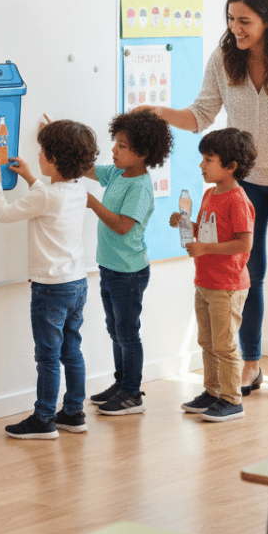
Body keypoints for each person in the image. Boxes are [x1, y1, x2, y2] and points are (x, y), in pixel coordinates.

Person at [139, 0, 268, 400]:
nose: (236, 29)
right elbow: (200, 115)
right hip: (244, 184)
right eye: (230, 19)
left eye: (245, 21)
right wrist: (157, 112)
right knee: (247, 273)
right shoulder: (225, 58)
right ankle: (250, 364)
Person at [0, 119, 98, 439]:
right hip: (77, 283)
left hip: (50, 288)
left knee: (47, 356)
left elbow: (5, 213)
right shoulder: (77, 189)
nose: (39, 155)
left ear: (55, 159)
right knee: (71, 350)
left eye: (42, 152)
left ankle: (44, 418)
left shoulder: (48, 196)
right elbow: (49, 200)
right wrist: (31, 177)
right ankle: (73, 412)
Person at [87, 109, 173, 415]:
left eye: (121, 146)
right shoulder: (118, 173)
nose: (114, 150)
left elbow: (123, 225)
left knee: (126, 332)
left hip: (129, 273)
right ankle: (122, 383)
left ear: (142, 153)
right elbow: (90, 170)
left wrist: (93, 203)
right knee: (115, 329)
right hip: (111, 268)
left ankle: (131, 394)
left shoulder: (140, 187)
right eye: (117, 143)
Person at [170, 128, 256, 422]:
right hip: (205, 281)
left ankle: (232, 399)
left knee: (225, 344)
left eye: (208, 159)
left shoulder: (237, 199)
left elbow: (244, 243)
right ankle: (213, 391)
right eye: (202, 159)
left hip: (227, 285)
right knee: (207, 342)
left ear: (230, 166)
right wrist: (188, 225)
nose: (202, 165)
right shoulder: (209, 194)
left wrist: (204, 246)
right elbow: (210, 232)